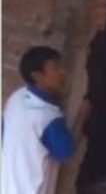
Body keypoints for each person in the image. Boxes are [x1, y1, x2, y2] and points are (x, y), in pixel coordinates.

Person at [2, 46, 75, 194]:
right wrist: (82, 117)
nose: (63, 72)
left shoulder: (16, 99)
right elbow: (66, 152)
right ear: (37, 76)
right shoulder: (48, 117)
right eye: (55, 67)